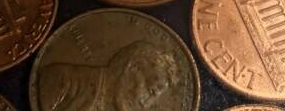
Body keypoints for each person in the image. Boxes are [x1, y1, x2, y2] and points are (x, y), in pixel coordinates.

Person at [38, 40, 179, 111]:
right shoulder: (61, 79)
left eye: (153, 98)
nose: (145, 104)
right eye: (151, 90)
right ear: (133, 67)